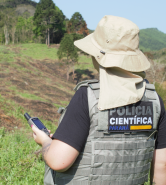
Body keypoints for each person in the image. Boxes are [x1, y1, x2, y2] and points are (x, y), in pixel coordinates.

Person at [31, 15, 166, 185]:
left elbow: (59, 161)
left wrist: (45, 142)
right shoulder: (155, 102)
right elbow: (162, 167)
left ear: (98, 56)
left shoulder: (87, 96)